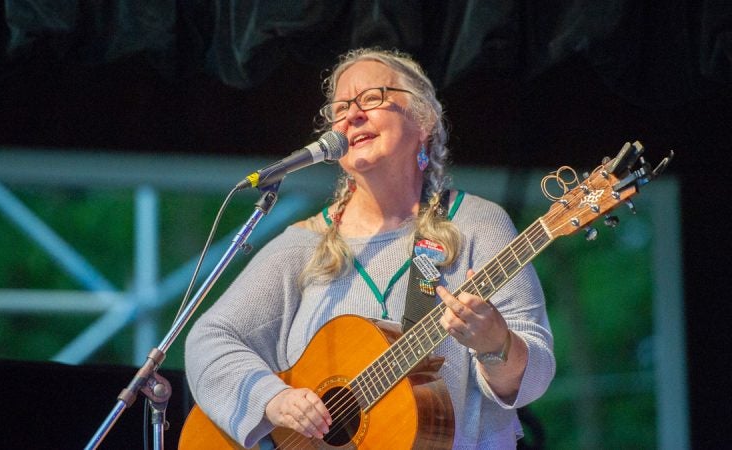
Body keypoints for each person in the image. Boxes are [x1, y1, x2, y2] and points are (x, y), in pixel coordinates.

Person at [184, 47, 555, 449]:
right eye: (340, 108)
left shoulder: (476, 224)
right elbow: (209, 339)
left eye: (372, 98)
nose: (351, 116)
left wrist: (496, 345)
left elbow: (534, 378)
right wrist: (272, 400)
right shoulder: (302, 245)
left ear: (424, 119)